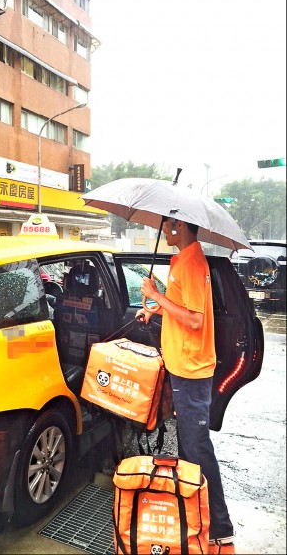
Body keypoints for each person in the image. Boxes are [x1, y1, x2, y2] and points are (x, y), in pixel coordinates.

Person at [136, 216, 235, 555]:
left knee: (196, 448)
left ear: (180, 228)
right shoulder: (182, 260)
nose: (164, 231)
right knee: (189, 449)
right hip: (181, 365)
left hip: (192, 369)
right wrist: (154, 310)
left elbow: (195, 320)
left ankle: (219, 528)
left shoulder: (192, 263)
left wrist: (154, 295)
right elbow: (183, 310)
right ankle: (195, 512)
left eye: (167, 226)